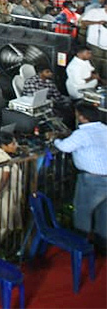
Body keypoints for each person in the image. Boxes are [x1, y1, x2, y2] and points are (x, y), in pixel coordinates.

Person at [53, 103, 107, 248]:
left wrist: (55, 139)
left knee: (83, 211)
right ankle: (102, 245)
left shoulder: (82, 133)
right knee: (103, 213)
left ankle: (81, 245)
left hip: (91, 180)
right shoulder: (104, 129)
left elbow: (64, 147)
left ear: (82, 117)